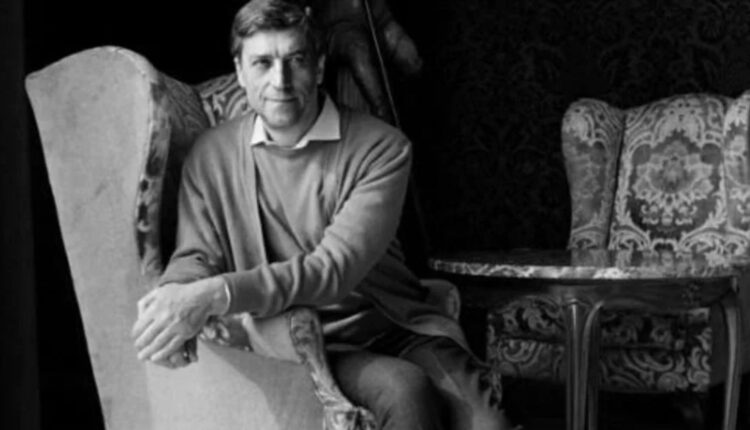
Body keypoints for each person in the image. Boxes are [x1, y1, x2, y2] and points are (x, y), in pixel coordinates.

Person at [131, 1, 518, 429]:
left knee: (488, 424)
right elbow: (197, 254)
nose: (280, 81)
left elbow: (332, 270)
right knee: (405, 390)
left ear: (318, 67)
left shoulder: (382, 149)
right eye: (262, 63)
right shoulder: (211, 155)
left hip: (395, 325)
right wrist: (175, 296)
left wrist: (214, 294)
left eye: (295, 60)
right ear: (240, 72)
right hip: (300, 339)